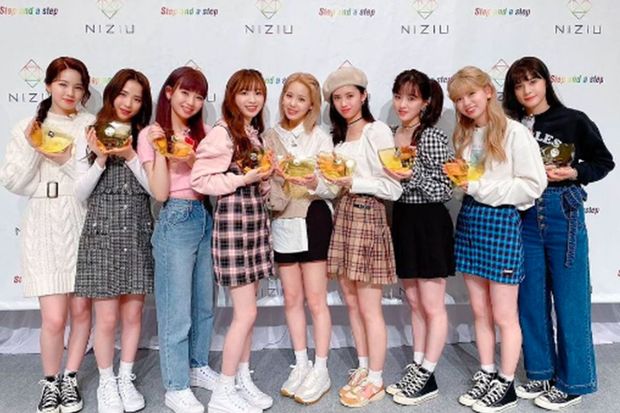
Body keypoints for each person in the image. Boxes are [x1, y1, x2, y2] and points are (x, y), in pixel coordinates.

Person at [503, 56, 614, 411]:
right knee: (530, 298)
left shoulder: (573, 120)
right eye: (519, 85)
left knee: (570, 298)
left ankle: (574, 381)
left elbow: (604, 162)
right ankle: (541, 371)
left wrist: (574, 172)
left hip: (561, 208)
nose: (527, 90)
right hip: (524, 213)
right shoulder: (511, 126)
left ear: (546, 82)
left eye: (533, 81)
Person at [446, 66, 547, 413]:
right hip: (470, 221)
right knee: (479, 310)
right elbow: (470, 184)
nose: (466, 103)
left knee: (504, 313)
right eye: (459, 99)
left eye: (471, 94)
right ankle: (487, 372)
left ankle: (506, 383)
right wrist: (462, 183)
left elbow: (533, 185)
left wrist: (480, 188)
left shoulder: (515, 132)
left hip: (502, 223)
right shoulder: (465, 135)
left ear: (488, 91)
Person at [0, 56, 95, 413]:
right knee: (54, 318)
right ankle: (50, 382)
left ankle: (71, 378)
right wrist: (34, 147)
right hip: (43, 221)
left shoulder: (90, 125)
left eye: (77, 87)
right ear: (48, 85)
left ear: (84, 92)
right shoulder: (28, 126)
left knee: (81, 312)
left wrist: (62, 159)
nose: (70, 92)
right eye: (62, 84)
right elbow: (13, 181)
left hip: (82, 218)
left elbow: (91, 178)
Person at [191, 69, 274, 413]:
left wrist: (265, 179)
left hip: (254, 224)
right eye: (244, 93)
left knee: (249, 314)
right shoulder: (222, 134)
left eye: (258, 93)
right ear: (231, 96)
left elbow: (255, 182)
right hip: (233, 227)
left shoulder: (253, 134)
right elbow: (200, 180)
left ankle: (242, 378)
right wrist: (241, 180)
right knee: (246, 313)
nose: (252, 100)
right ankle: (223, 392)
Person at [322, 66, 403, 408]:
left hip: (369, 216)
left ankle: (377, 379)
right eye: (338, 98)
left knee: (370, 307)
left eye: (350, 96)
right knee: (352, 302)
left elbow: (394, 187)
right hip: (343, 217)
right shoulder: (338, 138)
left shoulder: (377, 131)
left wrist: (354, 183)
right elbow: (333, 186)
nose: (344, 103)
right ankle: (364, 366)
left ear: (364, 95)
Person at [74, 68, 153, 413]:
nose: (128, 103)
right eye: (123, 94)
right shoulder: (91, 133)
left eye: (136, 98)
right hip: (101, 234)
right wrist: (102, 157)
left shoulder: (145, 137)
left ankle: (125, 377)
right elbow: (80, 193)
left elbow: (155, 190)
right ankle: (106, 382)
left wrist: (131, 155)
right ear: (111, 94)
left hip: (136, 231)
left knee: (133, 315)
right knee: (105, 319)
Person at [137, 66, 216, 413]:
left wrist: (195, 157)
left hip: (205, 216)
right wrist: (164, 151)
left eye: (199, 96)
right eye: (185, 92)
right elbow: (159, 192)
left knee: (204, 305)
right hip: (176, 217)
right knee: (176, 311)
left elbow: (212, 182)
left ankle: (198, 366)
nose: (191, 102)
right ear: (169, 92)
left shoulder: (206, 134)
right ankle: (176, 385)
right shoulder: (151, 134)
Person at [262, 72, 336, 404]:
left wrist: (313, 182)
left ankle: (321, 368)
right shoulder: (268, 136)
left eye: (301, 99)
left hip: (313, 217)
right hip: (281, 220)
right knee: (291, 298)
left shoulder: (320, 138)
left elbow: (333, 186)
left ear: (312, 105)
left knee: (316, 300)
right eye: (289, 96)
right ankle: (301, 363)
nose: (293, 103)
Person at [382, 69, 454, 406]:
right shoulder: (390, 134)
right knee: (413, 302)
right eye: (398, 96)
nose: (402, 104)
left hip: (429, 221)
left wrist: (412, 175)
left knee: (432, 304)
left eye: (411, 98)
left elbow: (446, 189)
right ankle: (418, 363)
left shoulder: (432, 137)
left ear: (425, 102)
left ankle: (428, 373)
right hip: (403, 220)